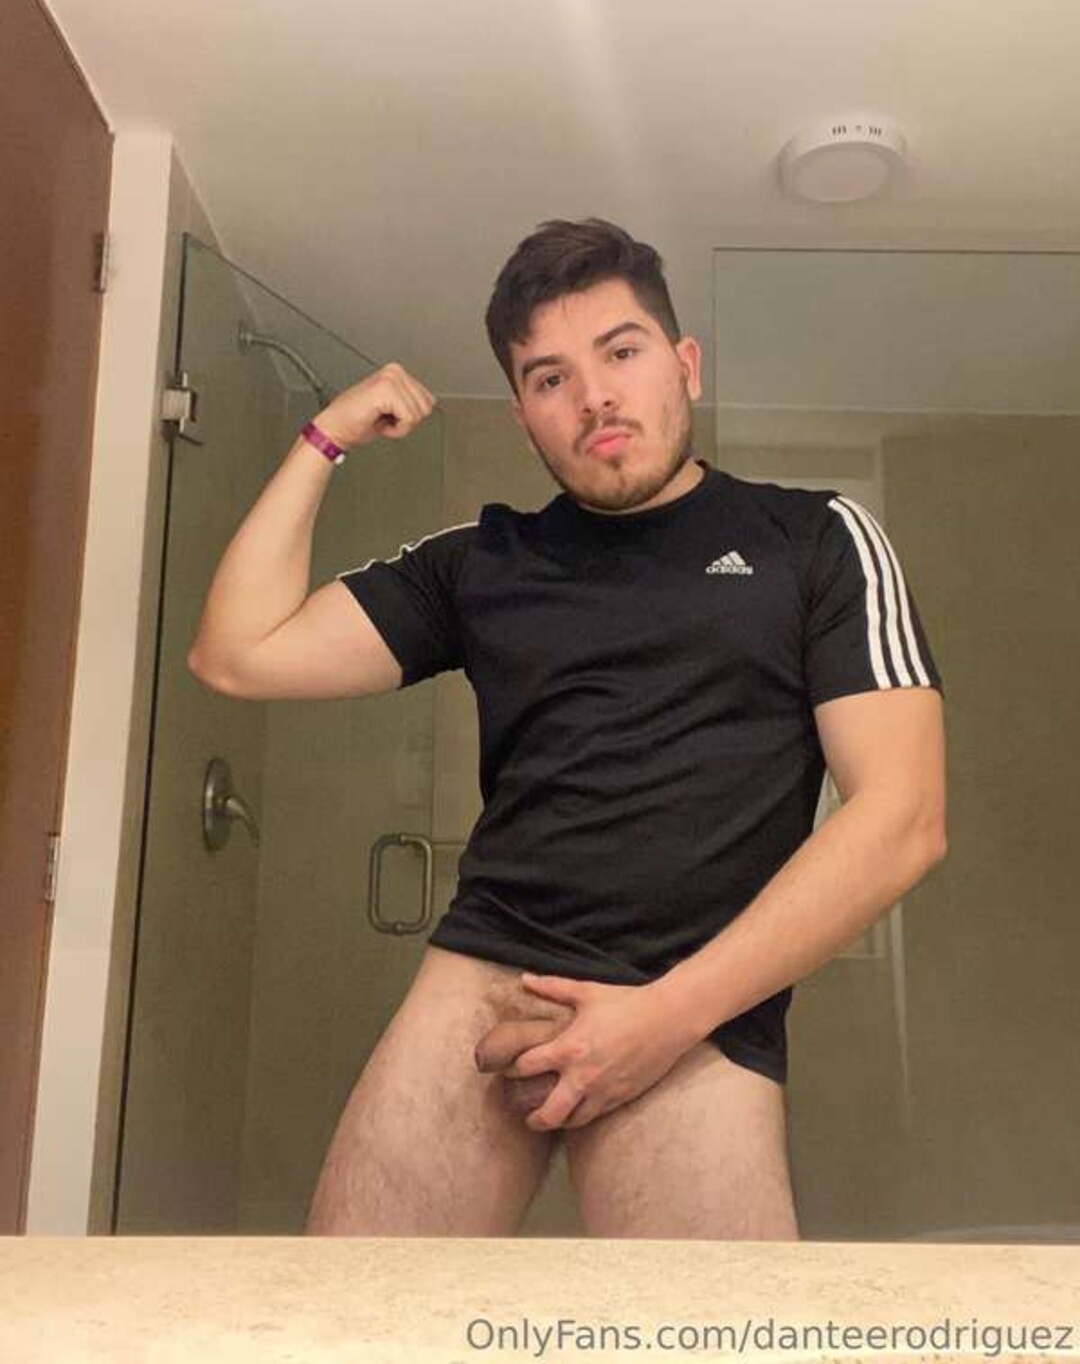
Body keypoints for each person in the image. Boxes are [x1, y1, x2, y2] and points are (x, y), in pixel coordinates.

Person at [187, 218, 946, 1240]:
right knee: (353, 1311)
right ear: (523, 416)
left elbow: (903, 818)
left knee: (704, 1329)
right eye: (551, 378)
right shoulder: (481, 561)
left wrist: (666, 1017)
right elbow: (237, 653)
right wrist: (324, 441)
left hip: (696, 1009)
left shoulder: (818, 540)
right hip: (485, 977)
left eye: (621, 352)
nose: (594, 396)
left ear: (684, 364)